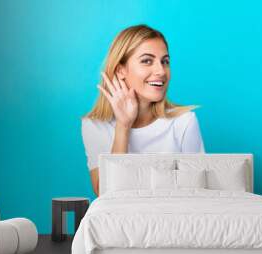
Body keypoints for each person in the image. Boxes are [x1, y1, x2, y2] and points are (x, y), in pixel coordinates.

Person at [82, 24, 205, 196]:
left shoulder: (184, 122)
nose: (161, 71)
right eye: (147, 61)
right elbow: (105, 194)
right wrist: (123, 126)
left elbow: (196, 192)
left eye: (165, 61)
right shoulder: (94, 125)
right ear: (120, 70)